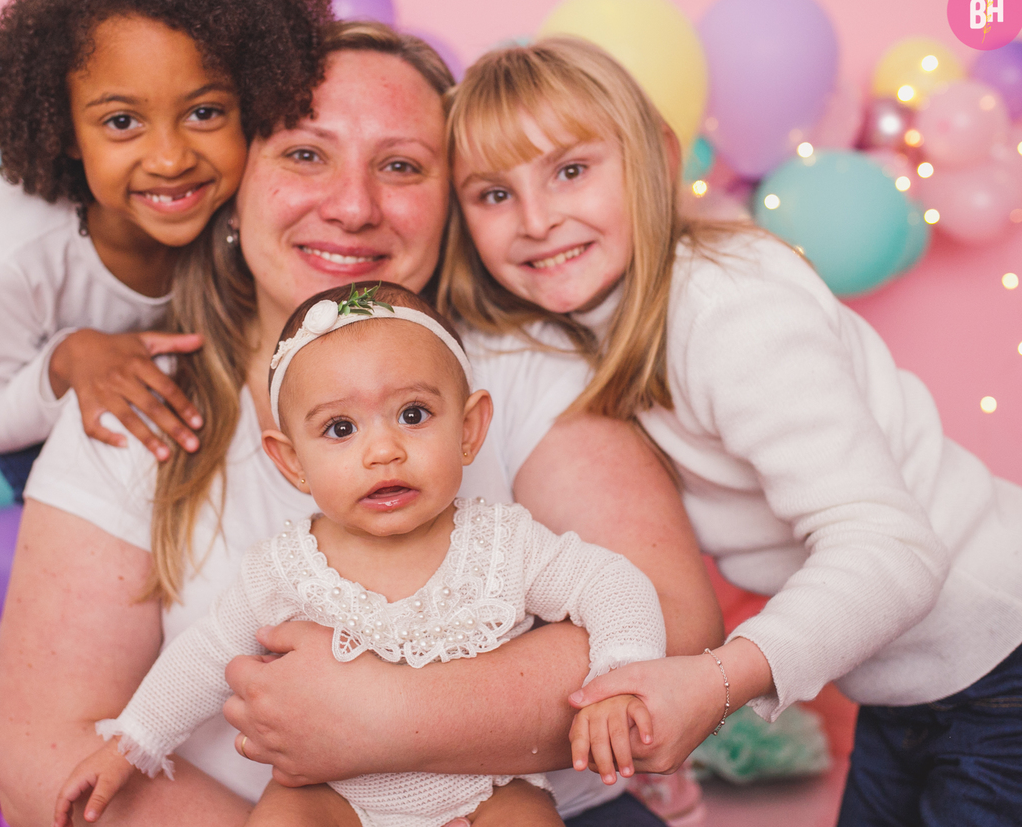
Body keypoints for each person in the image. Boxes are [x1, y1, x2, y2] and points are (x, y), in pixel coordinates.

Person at [0, 23, 722, 827]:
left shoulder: (524, 371)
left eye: (402, 166)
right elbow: (44, 754)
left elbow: (674, 624)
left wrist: (386, 718)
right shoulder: (136, 409)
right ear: (236, 186)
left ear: (450, 205)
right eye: (306, 154)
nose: (352, 206)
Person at [442, 36, 1022, 825]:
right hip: (909, 682)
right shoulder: (590, 324)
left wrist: (716, 683)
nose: (538, 220)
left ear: (654, 158)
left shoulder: (727, 309)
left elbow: (893, 549)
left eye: (571, 171)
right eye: (492, 195)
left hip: (1006, 660)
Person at [53, 282, 668, 827]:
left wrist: (619, 677)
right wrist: (132, 742)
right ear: (292, 460)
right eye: (340, 429)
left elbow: (612, 583)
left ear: (470, 428)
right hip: (330, 796)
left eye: (413, 414)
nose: (383, 451)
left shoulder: (503, 544)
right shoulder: (286, 567)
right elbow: (210, 651)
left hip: (484, 788)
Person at [0, 0, 330, 500]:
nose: (169, 159)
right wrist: (69, 358)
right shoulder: (8, 258)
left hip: (131, 317)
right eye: (121, 122)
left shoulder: (246, 199)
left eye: (204, 112)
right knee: (74, 487)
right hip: (1, 332)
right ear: (66, 131)